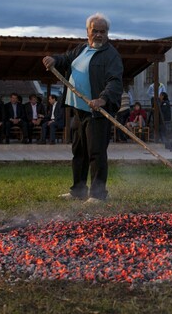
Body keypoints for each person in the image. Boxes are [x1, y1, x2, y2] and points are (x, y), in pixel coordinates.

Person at [42, 12, 123, 203]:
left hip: (97, 112)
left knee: (96, 152)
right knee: (79, 151)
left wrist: (102, 99)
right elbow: (65, 59)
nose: (99, 35)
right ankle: (78, 190)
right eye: (95, 31)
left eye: (103, 31)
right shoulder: (81, 49)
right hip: (79, 110)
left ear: (107, 33)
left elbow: (115, 82)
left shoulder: (111, 55)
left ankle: (98, 194)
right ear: (87, 31)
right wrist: (54, 59)